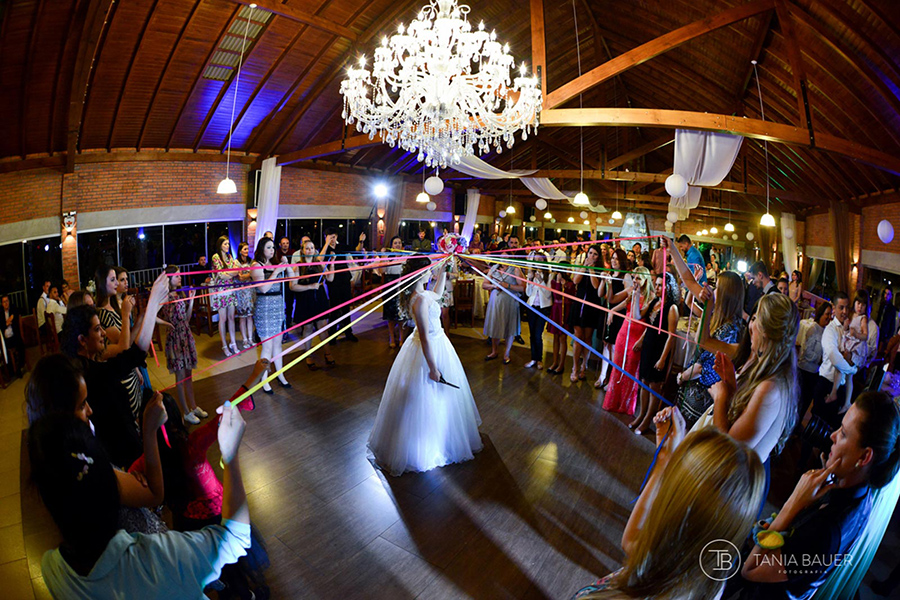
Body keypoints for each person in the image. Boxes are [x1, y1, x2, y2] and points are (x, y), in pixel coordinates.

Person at [31, 400, 253, 598]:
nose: (90, 409)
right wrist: (231, 456)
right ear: (113, 487)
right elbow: (236, 537)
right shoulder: (158, 557)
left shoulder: (52, 569)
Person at [738, 391, 900, 599]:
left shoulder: (827, 530)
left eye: (843, 433)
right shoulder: (861, 494)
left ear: (864, 456)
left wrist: (793, 504)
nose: (833, 435)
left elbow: (750, 570)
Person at [570, 427, 765, 600]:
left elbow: (634, 544)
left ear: (675, 507)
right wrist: (664, 460)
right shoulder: (712, 579)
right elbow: (631, 542)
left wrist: (664, 465)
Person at [367, 256, 482, 476]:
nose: (432, 272)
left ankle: (442, 435)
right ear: (421, 273)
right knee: (425, 397)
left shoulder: (423, 294)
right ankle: (424, 446)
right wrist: (433, 367)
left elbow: (437, 295)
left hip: (438, 343)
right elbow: (425, 337)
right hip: (429, 350)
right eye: (430, 270)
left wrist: (444, 271)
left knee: (438, 398)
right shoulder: (419, 300)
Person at [60, 272, 169, 468]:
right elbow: (130, 354)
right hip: (120, 454)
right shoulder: (90, 374)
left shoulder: (86, 364)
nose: (102, 333)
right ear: (82, 340)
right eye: (96, 330)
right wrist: (152, 304)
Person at [697, 293, 799, 467]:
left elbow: (728, 452)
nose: (750, 327)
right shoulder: (772, 370)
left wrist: (721, 396)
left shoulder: (770, 387)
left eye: (756, 319)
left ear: (766, 330)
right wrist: (730, 385)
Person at [630, 272, 679, 434]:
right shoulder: (655, 301)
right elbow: (638, 317)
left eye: (660, 285)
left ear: (668, 287)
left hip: (659, 349)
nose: (656, 288)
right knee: (644, 383)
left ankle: (647, 420)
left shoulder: (672, 308)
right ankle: (641, 415)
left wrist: (663, 359)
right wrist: (636, 295)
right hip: (648, 346)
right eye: (655, 284)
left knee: (654, 386)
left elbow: (671, 336)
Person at [93, 265, 143, 422]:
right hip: (122, 375)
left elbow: (129, 338)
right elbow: (124, 346)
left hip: (129, 370)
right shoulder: (103, 312)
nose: (116, 284)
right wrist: (126, 313)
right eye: (113, 280)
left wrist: (141, 317)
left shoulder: (113, 306)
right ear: (102, 283)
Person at [603, 267, 653, 416]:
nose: (636, 281)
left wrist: (642, 339)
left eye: (639, 278)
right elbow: (623, 305)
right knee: (618, 366)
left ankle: (625, 405)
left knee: (631, 369)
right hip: (624, 332)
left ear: (646, 279)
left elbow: (644, 319)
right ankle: (612, 402)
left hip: (636, 336)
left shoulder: (650, 298)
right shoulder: (632, 293)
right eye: (634, 277)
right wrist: (612, 311)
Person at [161, 266, 205, 425]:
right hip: (175, 339)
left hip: (185, 335)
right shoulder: (167, 297)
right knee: (180, 377)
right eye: (177, 276)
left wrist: (191, 300)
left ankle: (193, 407)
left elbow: (186, 318)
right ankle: (185, 411)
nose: (180, 278)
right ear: (170, 279)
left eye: (180, 276)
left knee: (188, 374)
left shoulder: (179, 294)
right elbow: (167, 318)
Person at [250, 237, 290, 394]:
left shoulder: (274, 265)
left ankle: (280, 375)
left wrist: (286, 265)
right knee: (267, 346)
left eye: (273, 247)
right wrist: (276, 272)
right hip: (265, 308)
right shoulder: (255, 266)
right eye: (268, 247)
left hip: (277, 307)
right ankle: (264, 379)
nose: (272, 250)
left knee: (278, 344)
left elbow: (288, 279)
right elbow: (263, 289)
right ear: (261, 249)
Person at [813, 291, 857, 429]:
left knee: (833, 428)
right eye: (841, 307)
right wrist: (852, 369)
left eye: (847, 307)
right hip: (826, 382)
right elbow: (834, 357)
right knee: (816, 426)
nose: (844, 311)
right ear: (834, 308)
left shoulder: (849, 329)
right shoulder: (830, 330)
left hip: (841, 386)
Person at [290, 239, 335, 371]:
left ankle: (328, 354)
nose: (310, 250)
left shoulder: (319, 264)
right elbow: (292, 287)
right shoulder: (298, 266)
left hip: (319, 299)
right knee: (308, 328)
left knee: (323, 327)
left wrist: (331, 264)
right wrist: (310, 286)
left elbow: (330, 279)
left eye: (312, 247)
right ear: (302, 251)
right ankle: (308, 355)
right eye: (307, 248)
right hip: (305, 299)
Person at [483, 239, 525, 364]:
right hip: (495, 301)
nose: (504, 260)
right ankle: (494, 351)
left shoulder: (516, 269)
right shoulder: (494, 268)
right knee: (495, 325)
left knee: (509, 326)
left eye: (507, 257)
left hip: (510, 302)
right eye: (502, 257)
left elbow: (523, 288)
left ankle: (506, 353)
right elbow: (484, 285)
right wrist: (493, 286)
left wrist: (508, 286)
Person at [827, 290, 870, 412]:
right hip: (849, 345)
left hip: (856, 349)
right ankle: (842, 399)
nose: (860, 306)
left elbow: (865, 336)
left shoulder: (863, 318)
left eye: (863, 304)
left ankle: (839, 397)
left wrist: (856, 333)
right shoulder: (852, 316)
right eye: (858, 303)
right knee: (845, 372)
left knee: (843, 370)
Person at [596, 249, 629, 388]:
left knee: (615, 347)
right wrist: (604, 281)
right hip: (606, 311)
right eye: (613, 258)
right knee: (606, 344)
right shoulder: (610, 274)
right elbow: (600, 293)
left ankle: (613, 380)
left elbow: (623, 298)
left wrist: (609, 283)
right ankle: (602, 375)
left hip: (618, 314)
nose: (614, 261)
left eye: (617, 258)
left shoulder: (625, 276)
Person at [796, 302, 833, 425]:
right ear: (820, 314)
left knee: (806, 402)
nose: (828, 317)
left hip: (815, 372)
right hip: (805, 370)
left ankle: (797, 426)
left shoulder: (828, 332)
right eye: (826, 314)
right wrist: (820, 359)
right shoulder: (813, 329)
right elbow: (807, 352)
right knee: (799, 401)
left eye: (830, 315)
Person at [322, 228, 359, 344]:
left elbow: (356, 249)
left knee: (346, 308)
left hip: (344, 279)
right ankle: (332, 335)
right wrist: (327, 243)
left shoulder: (341, 247)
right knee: (335, 308)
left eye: (334, 237)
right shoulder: (324, 249)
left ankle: (348, 332)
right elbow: (320, 258)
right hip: (333, 281)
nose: (332, 239)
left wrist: (361, 241)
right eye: (329, 237)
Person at [211, 236, 240, 357]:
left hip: (230, 289)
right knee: (222, 319)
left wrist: (228, 273)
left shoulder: (229, 257)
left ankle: (233, 342)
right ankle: (224, 345)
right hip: (221, 291)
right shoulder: (215, 257)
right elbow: (220, 275)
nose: (227, 246)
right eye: (225, 244)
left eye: (228, 244)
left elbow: (236, 271)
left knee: (231, 317)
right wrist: (230, 273)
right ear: (220, 245)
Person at [524, 250, 552, 369]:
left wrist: (541, 281)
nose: (538, 262)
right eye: (536, 260)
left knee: (537, 334)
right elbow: (528, 293)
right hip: (532, 307)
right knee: (531, 334)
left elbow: (548, 294)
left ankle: (539, 359)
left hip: (543, 308)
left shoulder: (549, 275)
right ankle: (533, 358)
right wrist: (530, 281)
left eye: (540, 260)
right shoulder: (532, 274)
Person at [377, 236, 406, 349]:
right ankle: (392, 337)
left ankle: (401, 338)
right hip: (390, 285)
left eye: (399, 242)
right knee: (390, 313)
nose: (397, 245)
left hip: (403, 285)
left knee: (402, 313)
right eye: (395, 243)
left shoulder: (405, 257)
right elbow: (381, 271)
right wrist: (383, 257)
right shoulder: (388, 257)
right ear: (392, 245)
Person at [547, 271, 576, 375]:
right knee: (555, 337)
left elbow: (571, 296)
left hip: (566, 310)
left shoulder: (570, 284)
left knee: (563, 338)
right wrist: (558, 282)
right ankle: (555, 362)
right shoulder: (554, 282)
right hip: (556, 310)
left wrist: (563, 284)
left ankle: (561, 364)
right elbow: (556, 296)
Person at [235, 242, 256, 349]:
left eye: (248, 249)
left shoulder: (251, 261)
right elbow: (240, 277)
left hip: (250, 292)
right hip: (241, 293)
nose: (247, 251)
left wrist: (247, 275)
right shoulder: (236, 262)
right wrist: (250, 274)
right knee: (242, 317)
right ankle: (244, 339)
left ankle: (250, 338)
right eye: (244, 249)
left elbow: (253, 275)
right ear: (240, 251)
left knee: (250, 316)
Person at [1, 294, 25, 376]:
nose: (6, 303)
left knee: (20, 344)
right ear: (2, 304)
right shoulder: (0, 313)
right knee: (4, 349)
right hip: (5, 338)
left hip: (14, 335)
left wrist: (12, 317)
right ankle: (10, 370)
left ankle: (19, 368)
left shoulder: (13, 309)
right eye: (4, 302)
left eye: (7, 301)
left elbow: (20, 311)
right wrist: (6, 324)